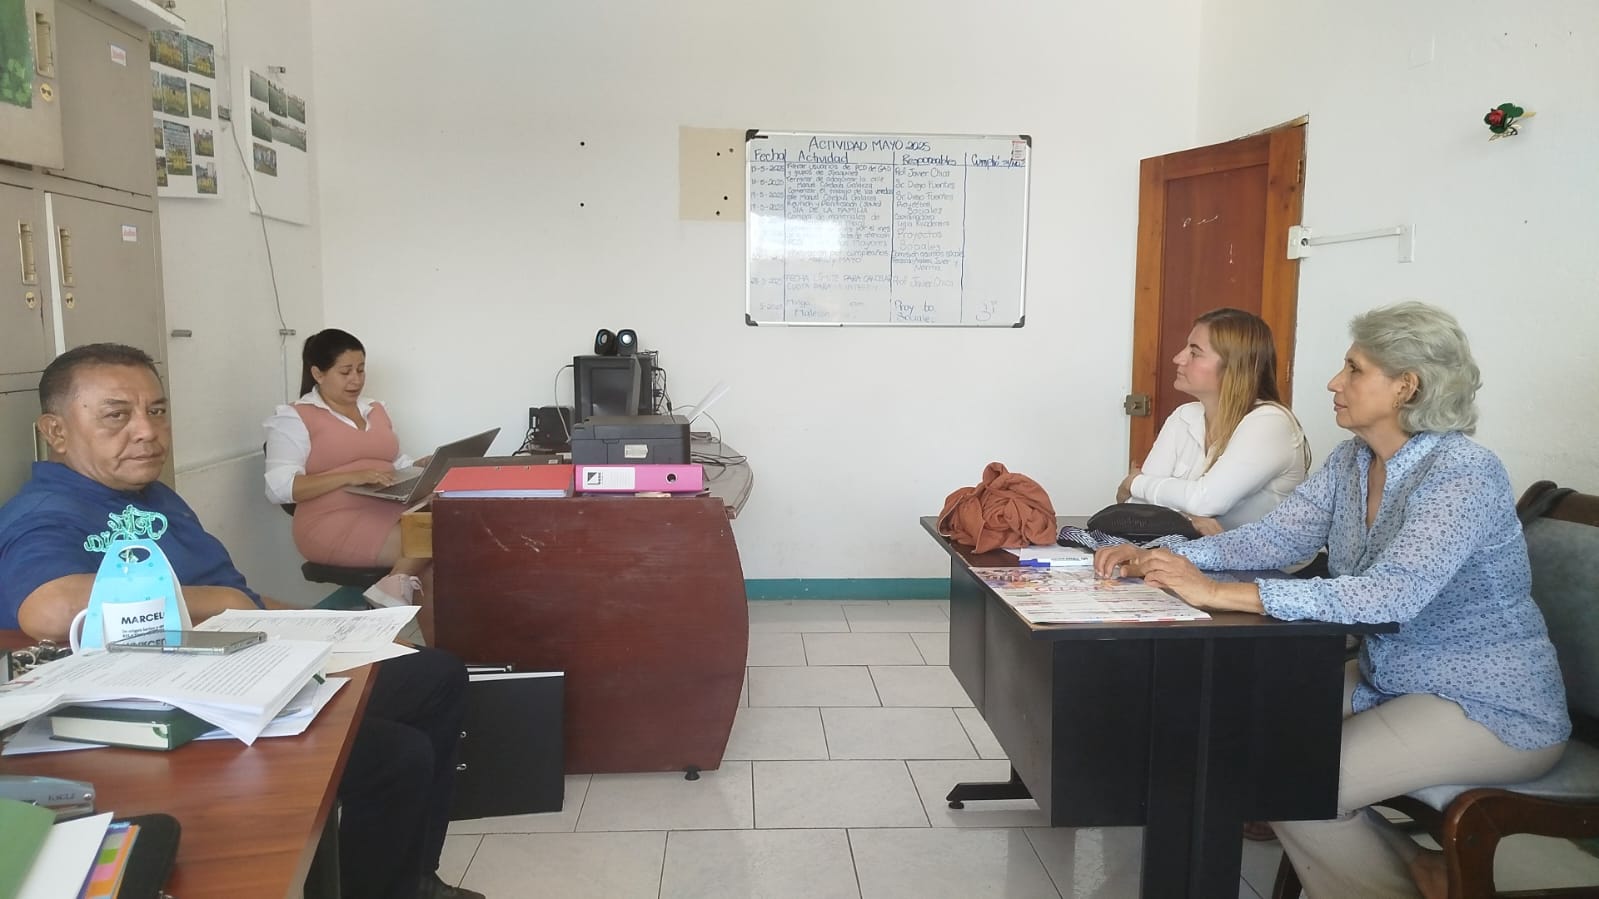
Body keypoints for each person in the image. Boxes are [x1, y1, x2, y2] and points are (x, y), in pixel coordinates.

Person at [1094, 302, 1569, 898]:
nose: (1333, 383)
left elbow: (1389, 597)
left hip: (1486, 702)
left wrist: (1215, 592)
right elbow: (1276, 538)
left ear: (1406, 386)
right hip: (1390, 677)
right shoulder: (1353, 460)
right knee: (1240, 734)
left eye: (1354, 369)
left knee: (1287, 781)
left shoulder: (1462, 474)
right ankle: (1420, 868)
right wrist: (1161, 555)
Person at [0, 344, 483, 899]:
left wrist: (322, 624)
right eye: (116, 415)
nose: (147, 431)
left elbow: (243, 601)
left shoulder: (153, 496)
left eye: (156, 411)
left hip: (252, 659)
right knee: (395, 754)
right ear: (56, 432)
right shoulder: (47, 512)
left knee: (436, 674)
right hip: (187, 704)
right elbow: (50, 607)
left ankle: (413, 879)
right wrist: (222, 599)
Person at [263, 329, 436, 639]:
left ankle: (437, 652)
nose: (356, 380)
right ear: (318, 373)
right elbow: (278, 489)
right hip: (330, 522)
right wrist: (348, 477)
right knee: (437, 538)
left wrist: (419, 466)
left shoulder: (375, 409)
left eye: (360, 370)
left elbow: (393, 462)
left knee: (447, 538)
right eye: (345, 372)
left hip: (387, 509)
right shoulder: (295, 417)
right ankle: (393, 591)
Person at [1118, 308, 1310, 536]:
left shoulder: (1271, 422)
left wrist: (1134, 482)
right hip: (1193, 552)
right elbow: (1138, 507)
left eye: (1194, 352)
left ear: (1234, 366)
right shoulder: (1183, 416)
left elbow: (1206, 501)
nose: (1178, 358)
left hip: (1262, 559)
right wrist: (1187, 517)